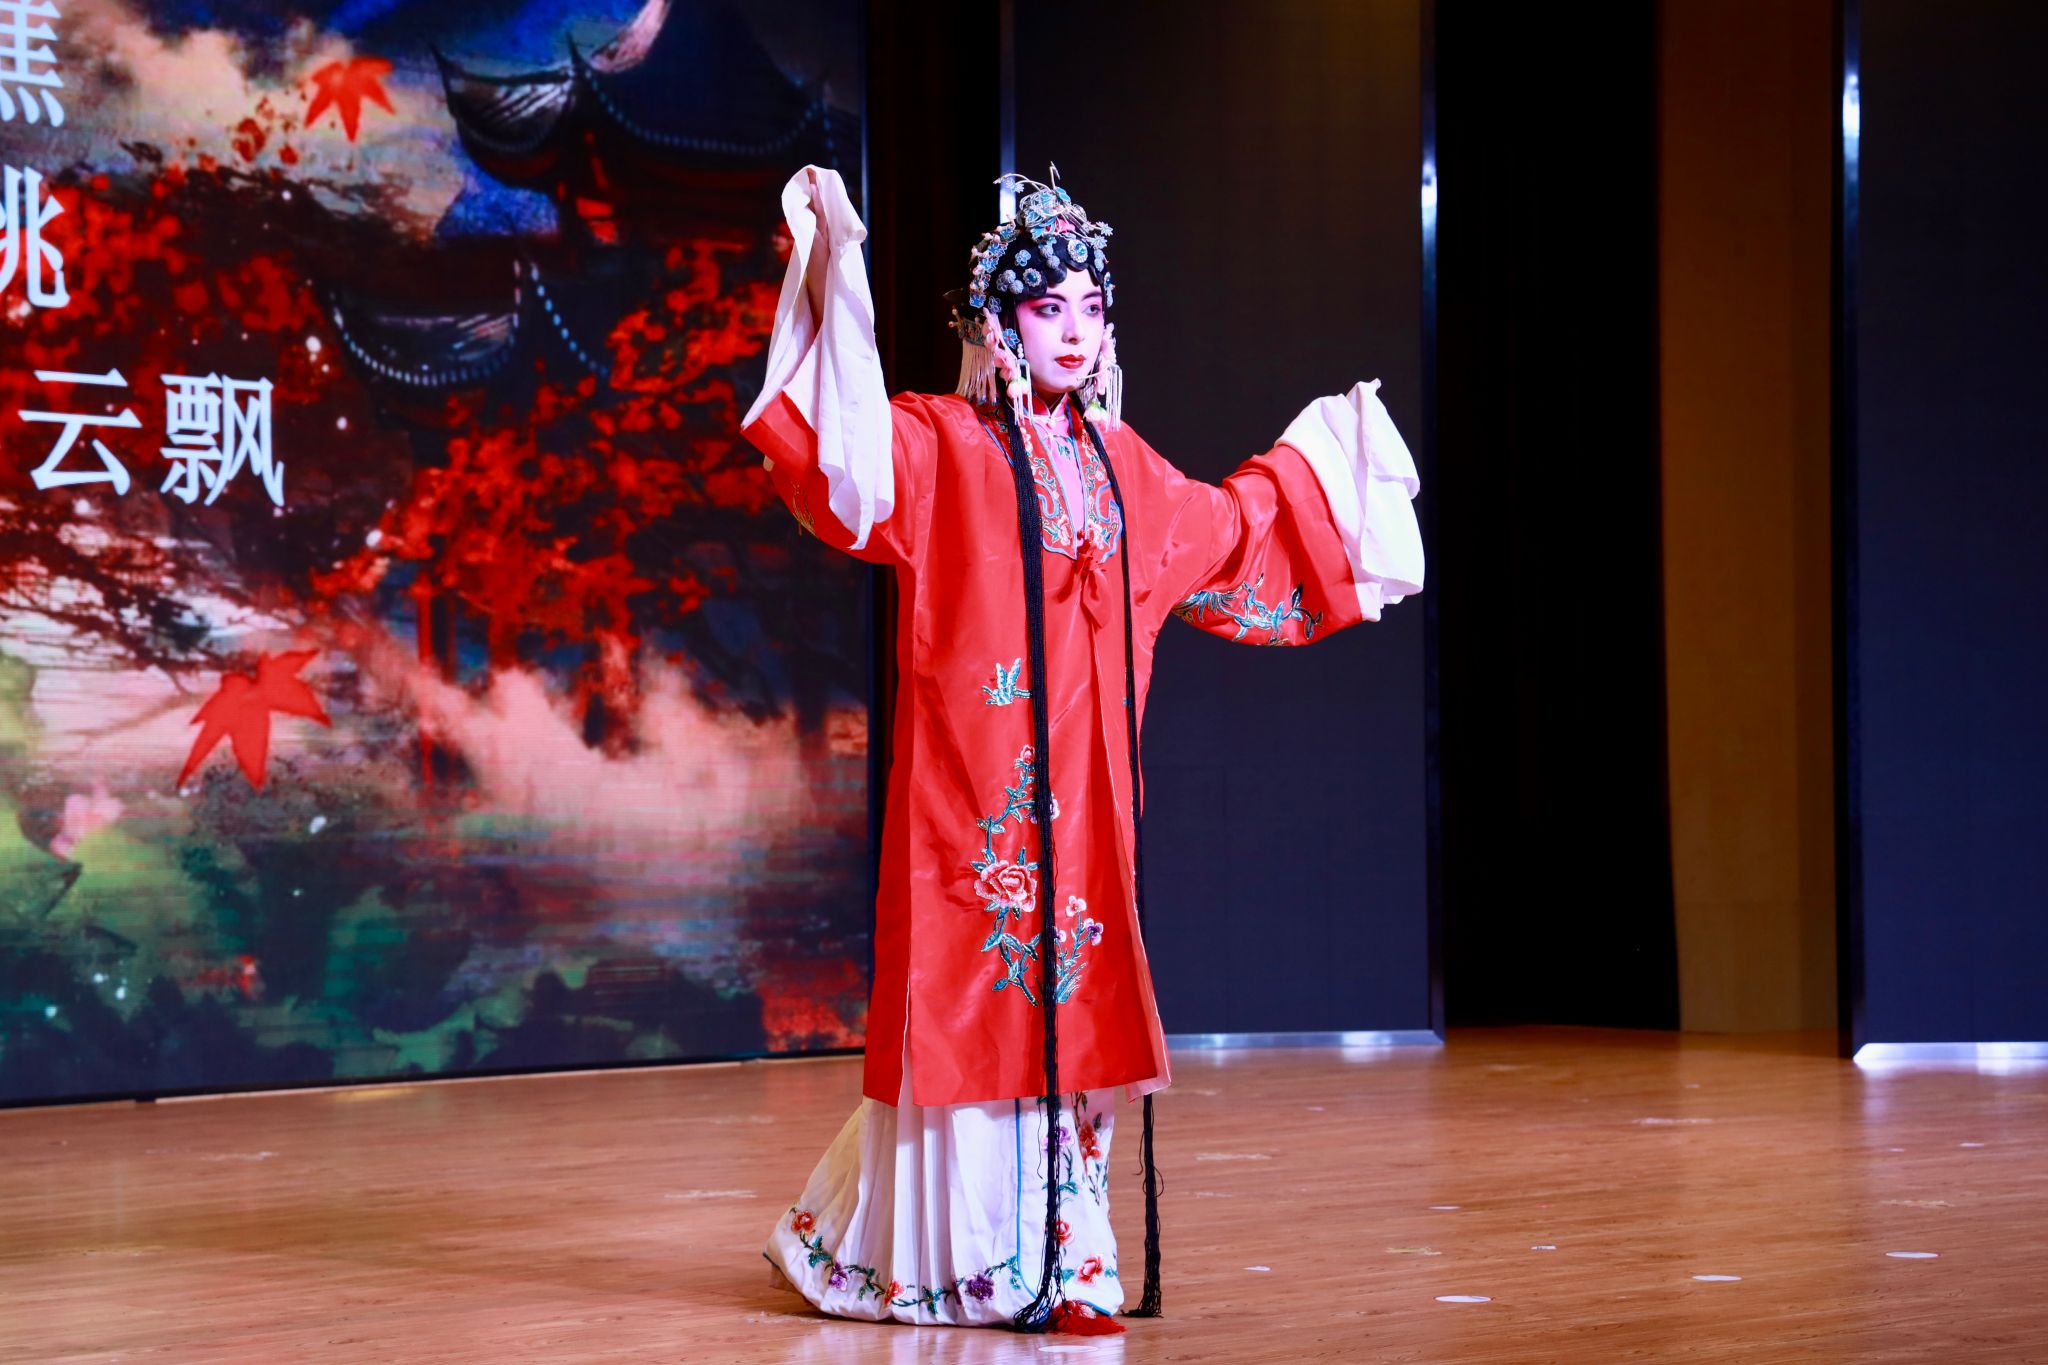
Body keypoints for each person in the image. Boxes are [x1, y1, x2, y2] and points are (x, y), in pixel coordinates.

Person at [743, 164, 1423, 1333]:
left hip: (1089, 809)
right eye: (1046, 307)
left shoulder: (1121, 467)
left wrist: (1329, 462)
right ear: (998, 327)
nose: (1073, 329)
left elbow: (1231, 534)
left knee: (1078, 1006)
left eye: (1090, 308)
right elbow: (845, 454)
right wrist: (829, 272)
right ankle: (963, 1263)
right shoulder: (941, 445)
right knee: (969, 1004)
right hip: (974, 798)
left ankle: (1066, 1258)